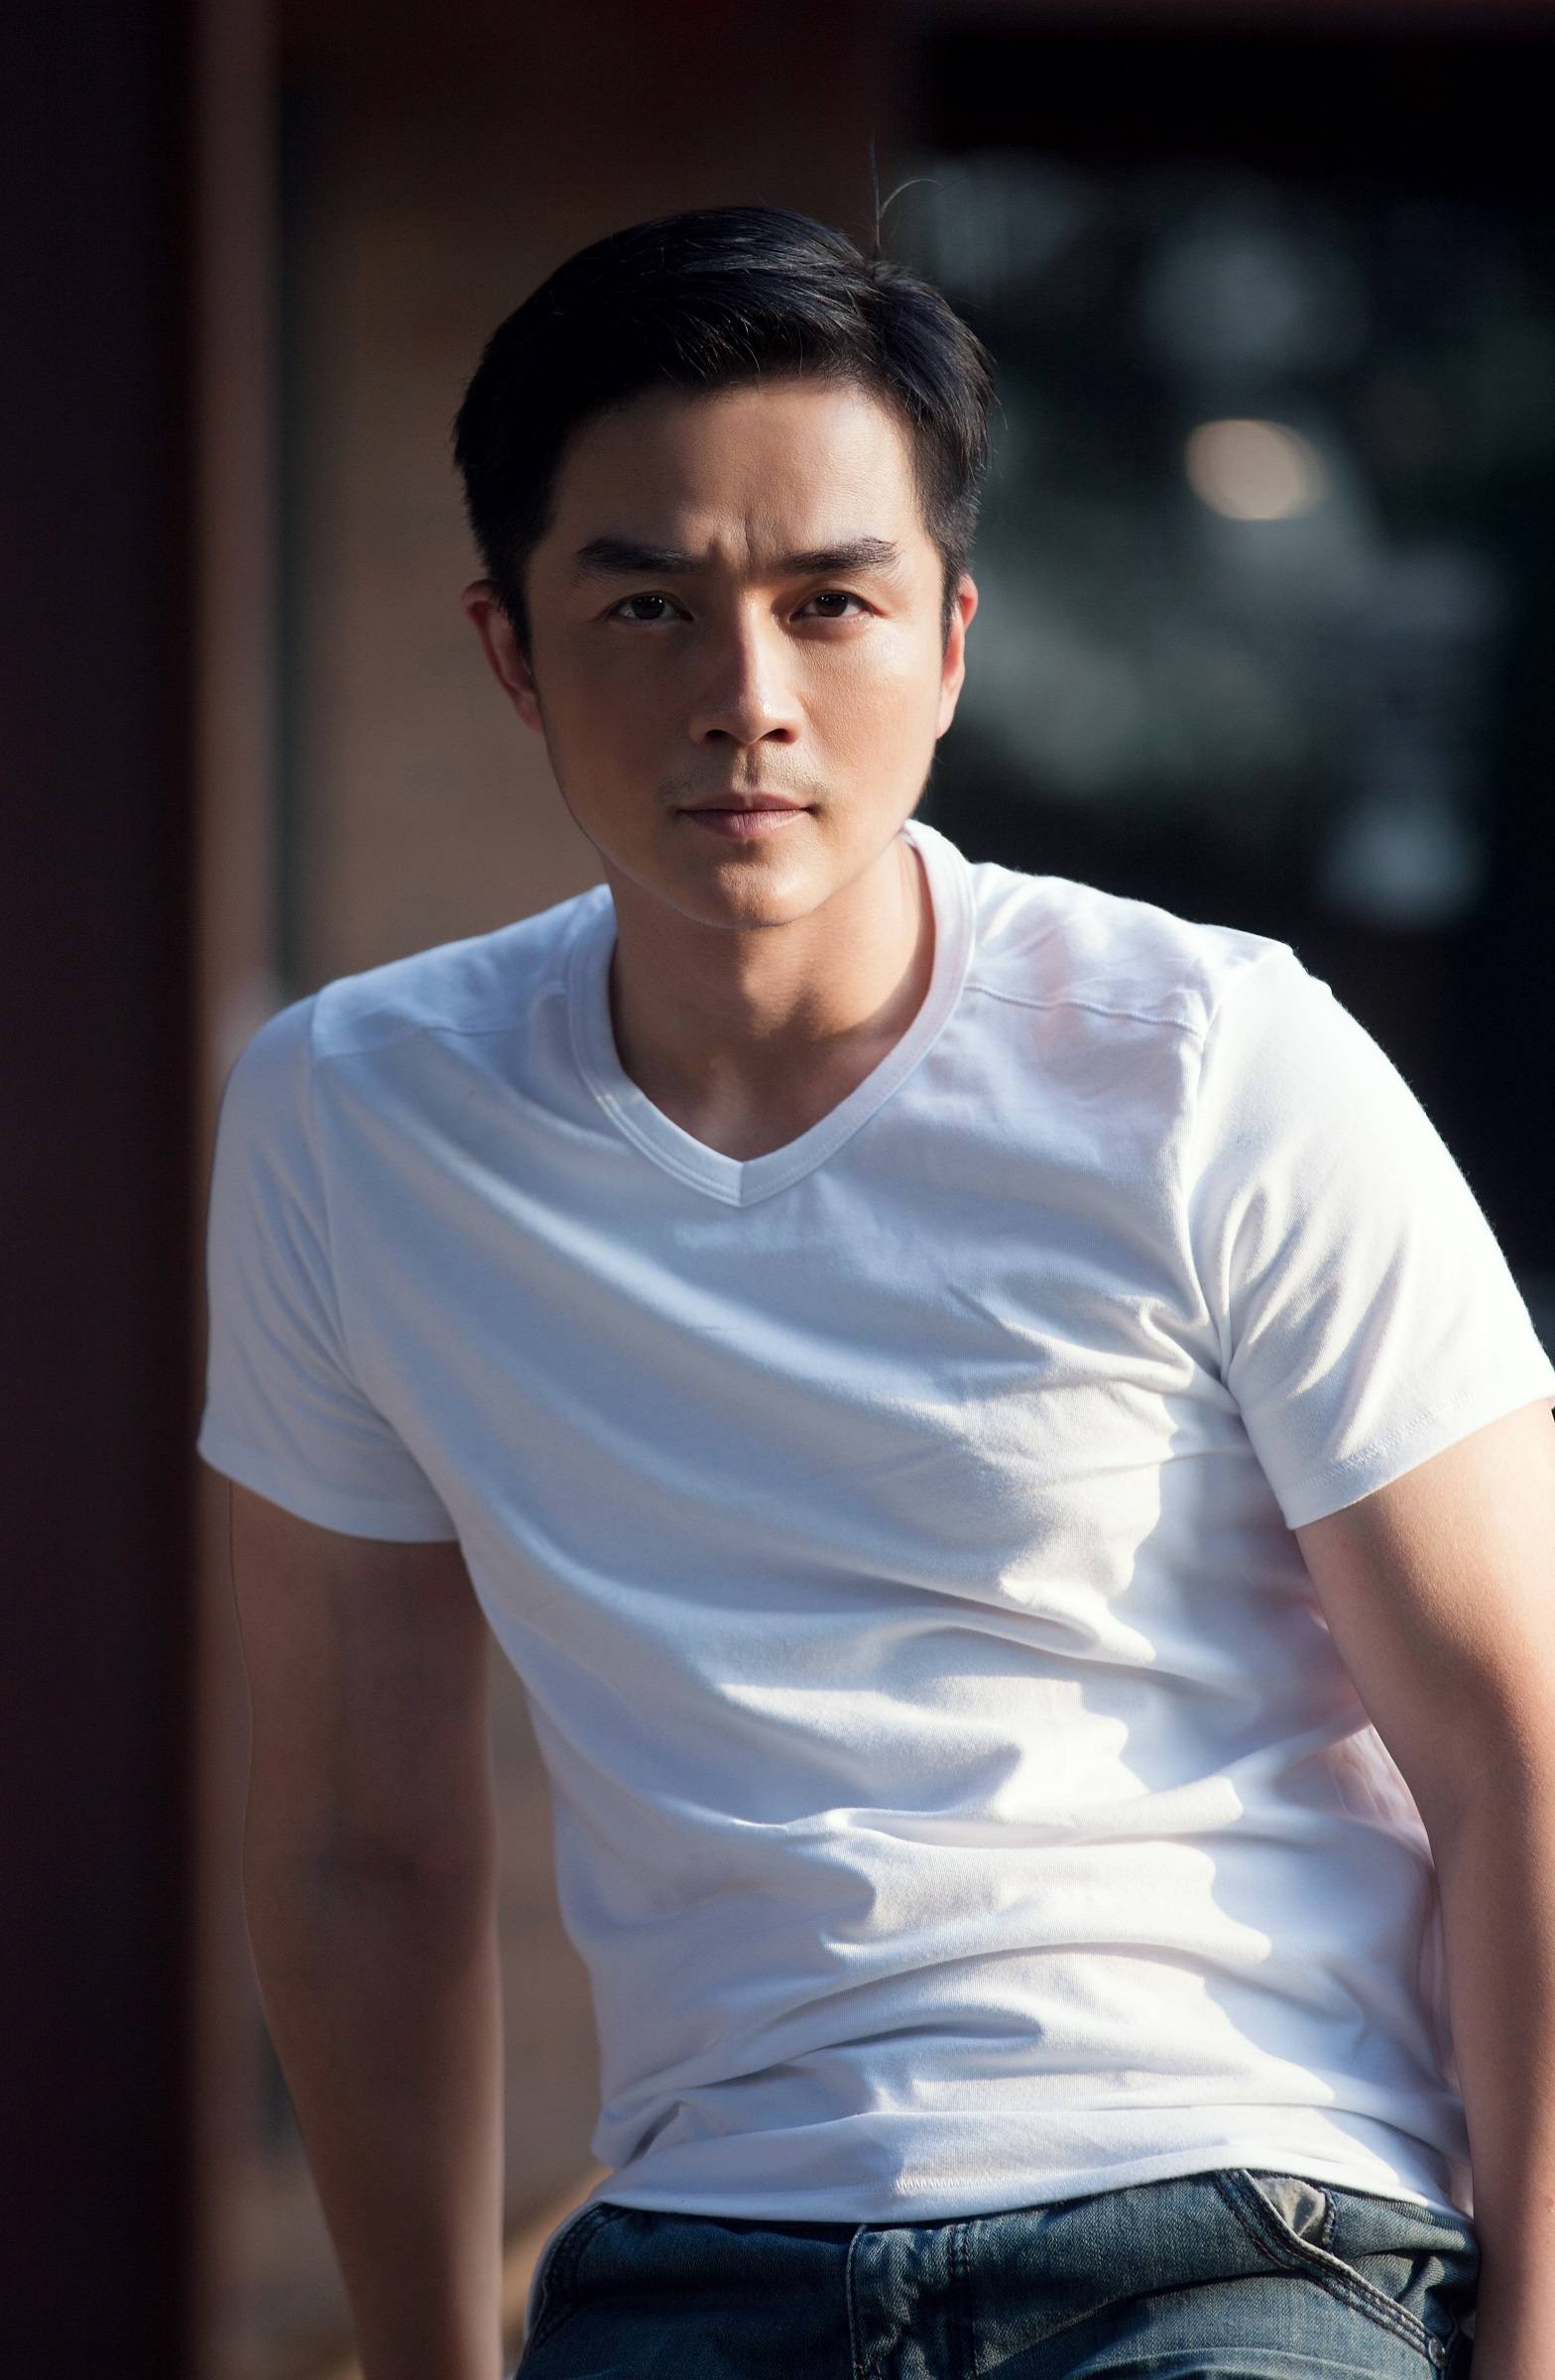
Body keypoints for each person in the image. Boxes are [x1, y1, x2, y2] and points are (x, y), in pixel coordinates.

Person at [197, 204, 1555, 2380]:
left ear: (946, 640)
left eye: (828, 602)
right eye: (647, 605)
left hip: (1237, 2224)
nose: (746, 699)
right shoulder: (358, 1120)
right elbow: (359, 1842)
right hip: (697, 2250)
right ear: (510, 652)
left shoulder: (1207, 1062)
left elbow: (1518, 1755)